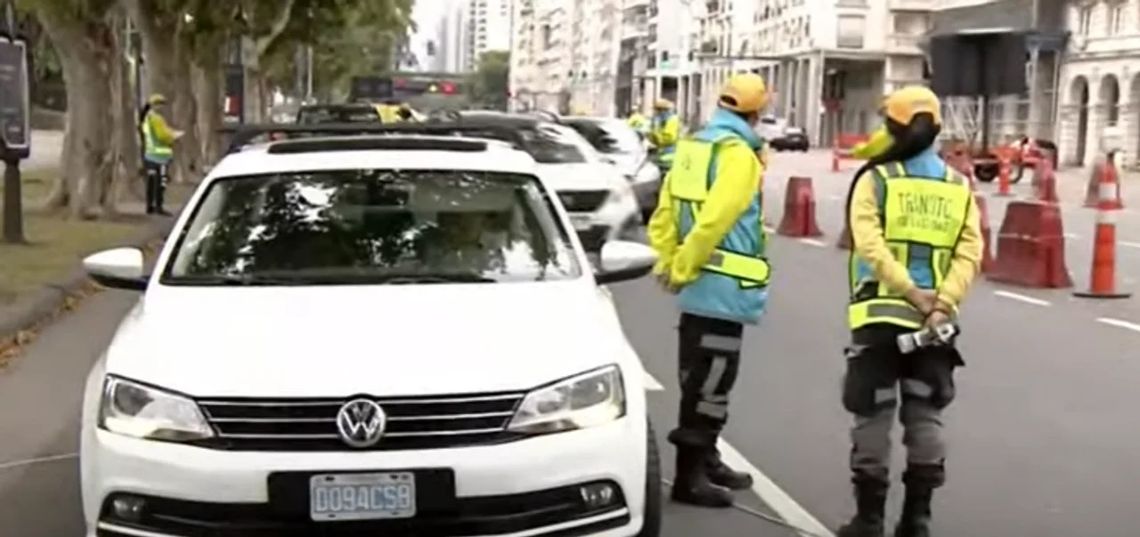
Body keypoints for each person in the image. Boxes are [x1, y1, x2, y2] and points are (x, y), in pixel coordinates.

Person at [837, 86, 983, 537]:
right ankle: (917, 520)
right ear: (937, 129)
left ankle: (869, 520)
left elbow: (869, 244)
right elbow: (970, 251)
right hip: (934, 327)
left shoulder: (875, 179)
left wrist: (909, 291)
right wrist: (942, 304)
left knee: (872, 415)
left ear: (893, 129)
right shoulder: (959, 187)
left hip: (881, 317)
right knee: (926, 415)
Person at [646, 73, 772, 508]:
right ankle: (690, 477)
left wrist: (667, 260)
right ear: (756, 113)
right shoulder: (739, 155)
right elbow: (715, 220)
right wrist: (682, 265)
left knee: (696, 374)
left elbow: (666, 210)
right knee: (713, 381)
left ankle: (709, 458)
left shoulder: (693, 146)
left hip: (697, 286)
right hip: (722, 287)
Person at [139, 94, 181, 215]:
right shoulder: (157, 119)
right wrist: (174, 136)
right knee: (161, 181)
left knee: (151, 181)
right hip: (161, 156)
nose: (163, 107)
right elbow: (163, 136)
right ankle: (159, 206)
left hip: (149, 154)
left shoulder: (146, 118)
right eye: (161, 104)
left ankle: (149, 205)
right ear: (156, 105)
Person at [649, 99, 681, 171]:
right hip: (662, 154)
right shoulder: (663, 121)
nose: (655, 113)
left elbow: (668, 139)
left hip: (670, 155)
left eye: (657, 111)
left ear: (663, 110)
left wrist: (655, 130)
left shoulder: (672, 121)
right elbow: (654, 140)